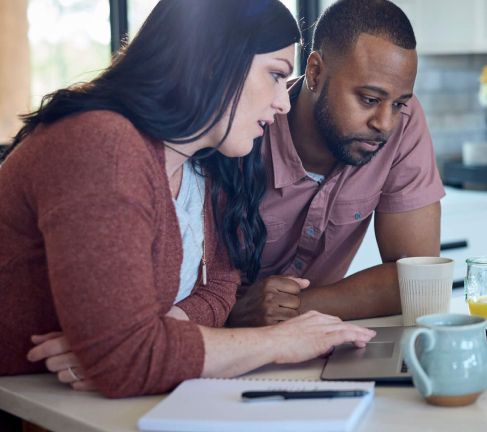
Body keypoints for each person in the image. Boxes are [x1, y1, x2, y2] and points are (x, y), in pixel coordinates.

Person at [0, 0, 373, 399]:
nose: (283, 104)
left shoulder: (206, 161)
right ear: (212, 61)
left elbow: (221, 289)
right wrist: (281, 342)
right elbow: (125, 361)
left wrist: (156, 338)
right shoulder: (103, 145)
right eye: (276, 75)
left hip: (72, 400)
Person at [228, 0, 446, 328]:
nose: (385, 123)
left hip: (314, 339)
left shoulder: (403, 123)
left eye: (399, 103)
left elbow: (419, 280)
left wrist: (291, 308)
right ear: (315, 72)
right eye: (369, 99)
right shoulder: (243, 131)